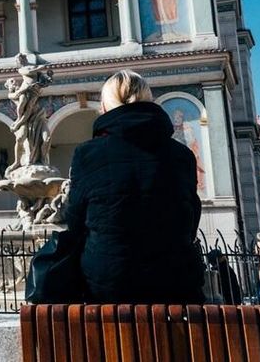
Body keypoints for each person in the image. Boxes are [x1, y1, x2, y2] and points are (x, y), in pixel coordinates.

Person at [41, 70, 204, 304]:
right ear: (149, 102)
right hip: (175, 286)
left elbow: (75, 222)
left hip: (107, 288)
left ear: (105, 108)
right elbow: (191, 221)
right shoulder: (183, 155)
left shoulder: (88, 154)